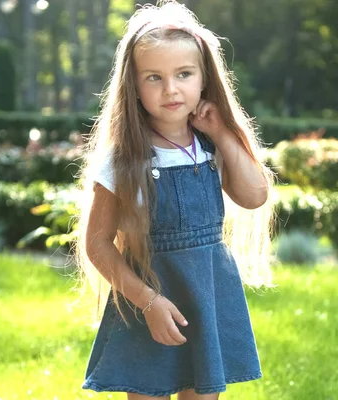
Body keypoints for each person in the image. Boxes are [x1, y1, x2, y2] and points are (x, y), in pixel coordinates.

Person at [75, 2, 275, 399]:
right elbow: (97, 243)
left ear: (204, 78)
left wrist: (223, 134)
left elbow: (254, 196)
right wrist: (148, 302)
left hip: (208, 294)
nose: (171, 89)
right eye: (154, 77)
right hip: (149, 296)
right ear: (133, 85)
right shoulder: (124, 158)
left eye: (184, 74)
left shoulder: (209, 145)